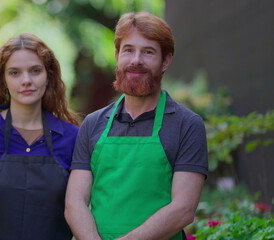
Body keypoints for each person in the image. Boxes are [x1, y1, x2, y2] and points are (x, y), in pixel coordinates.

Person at [64, 12, 208, 240]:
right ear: (117, 55)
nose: (136, 60)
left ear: (166, 61)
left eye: (148, 52)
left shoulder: (187, 125)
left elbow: (183, 210)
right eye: (128, 50)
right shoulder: (93, 124)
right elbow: (75, 202)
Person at [0, 33, 80, 240]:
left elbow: (83, 207)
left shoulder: (72, 138)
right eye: (15, 73)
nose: (26, 81)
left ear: (49, 76)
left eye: (35, 71)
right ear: (3, 80)